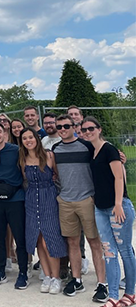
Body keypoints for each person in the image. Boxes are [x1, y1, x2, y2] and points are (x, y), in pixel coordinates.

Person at [52, 114, 108, 301]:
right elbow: (56, 173)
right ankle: (76, 279)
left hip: (86, 199)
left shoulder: (87, 146)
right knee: (72, 242)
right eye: (59, 126)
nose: (62, 129)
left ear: (73, 126)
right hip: (66, 200)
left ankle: (102, 282)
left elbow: (104, 160)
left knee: (94, 242)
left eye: (66, 126)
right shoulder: (55, 149)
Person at [83, 116, 136, 307]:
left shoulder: (109, 149)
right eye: (84, 130)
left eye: (91, 129)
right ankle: (113, 295)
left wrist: (118, 203)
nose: (88, 132)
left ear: (99, 129)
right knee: (109, 252)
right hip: (101, 208)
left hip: (117, 207)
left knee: (125, 251)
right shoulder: (93, 151)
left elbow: (119, 177)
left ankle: (130, 293)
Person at [19, 128, 67, 294]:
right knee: (38, 239)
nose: (28, 140)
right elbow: (25, 180)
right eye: (24, 138)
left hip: (49, 198)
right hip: (32, 199)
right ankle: (47, 275)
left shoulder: (49, 155)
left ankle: (56, 277)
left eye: (30, 137)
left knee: (49, 239)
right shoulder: (23, 159)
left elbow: (58, 176)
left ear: (36, 138)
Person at [0, 121, 28, 290]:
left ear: (5, 134)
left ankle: (23, 272)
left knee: (19, 237)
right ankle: (1, 269)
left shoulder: (16, 150)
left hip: (16, 198)